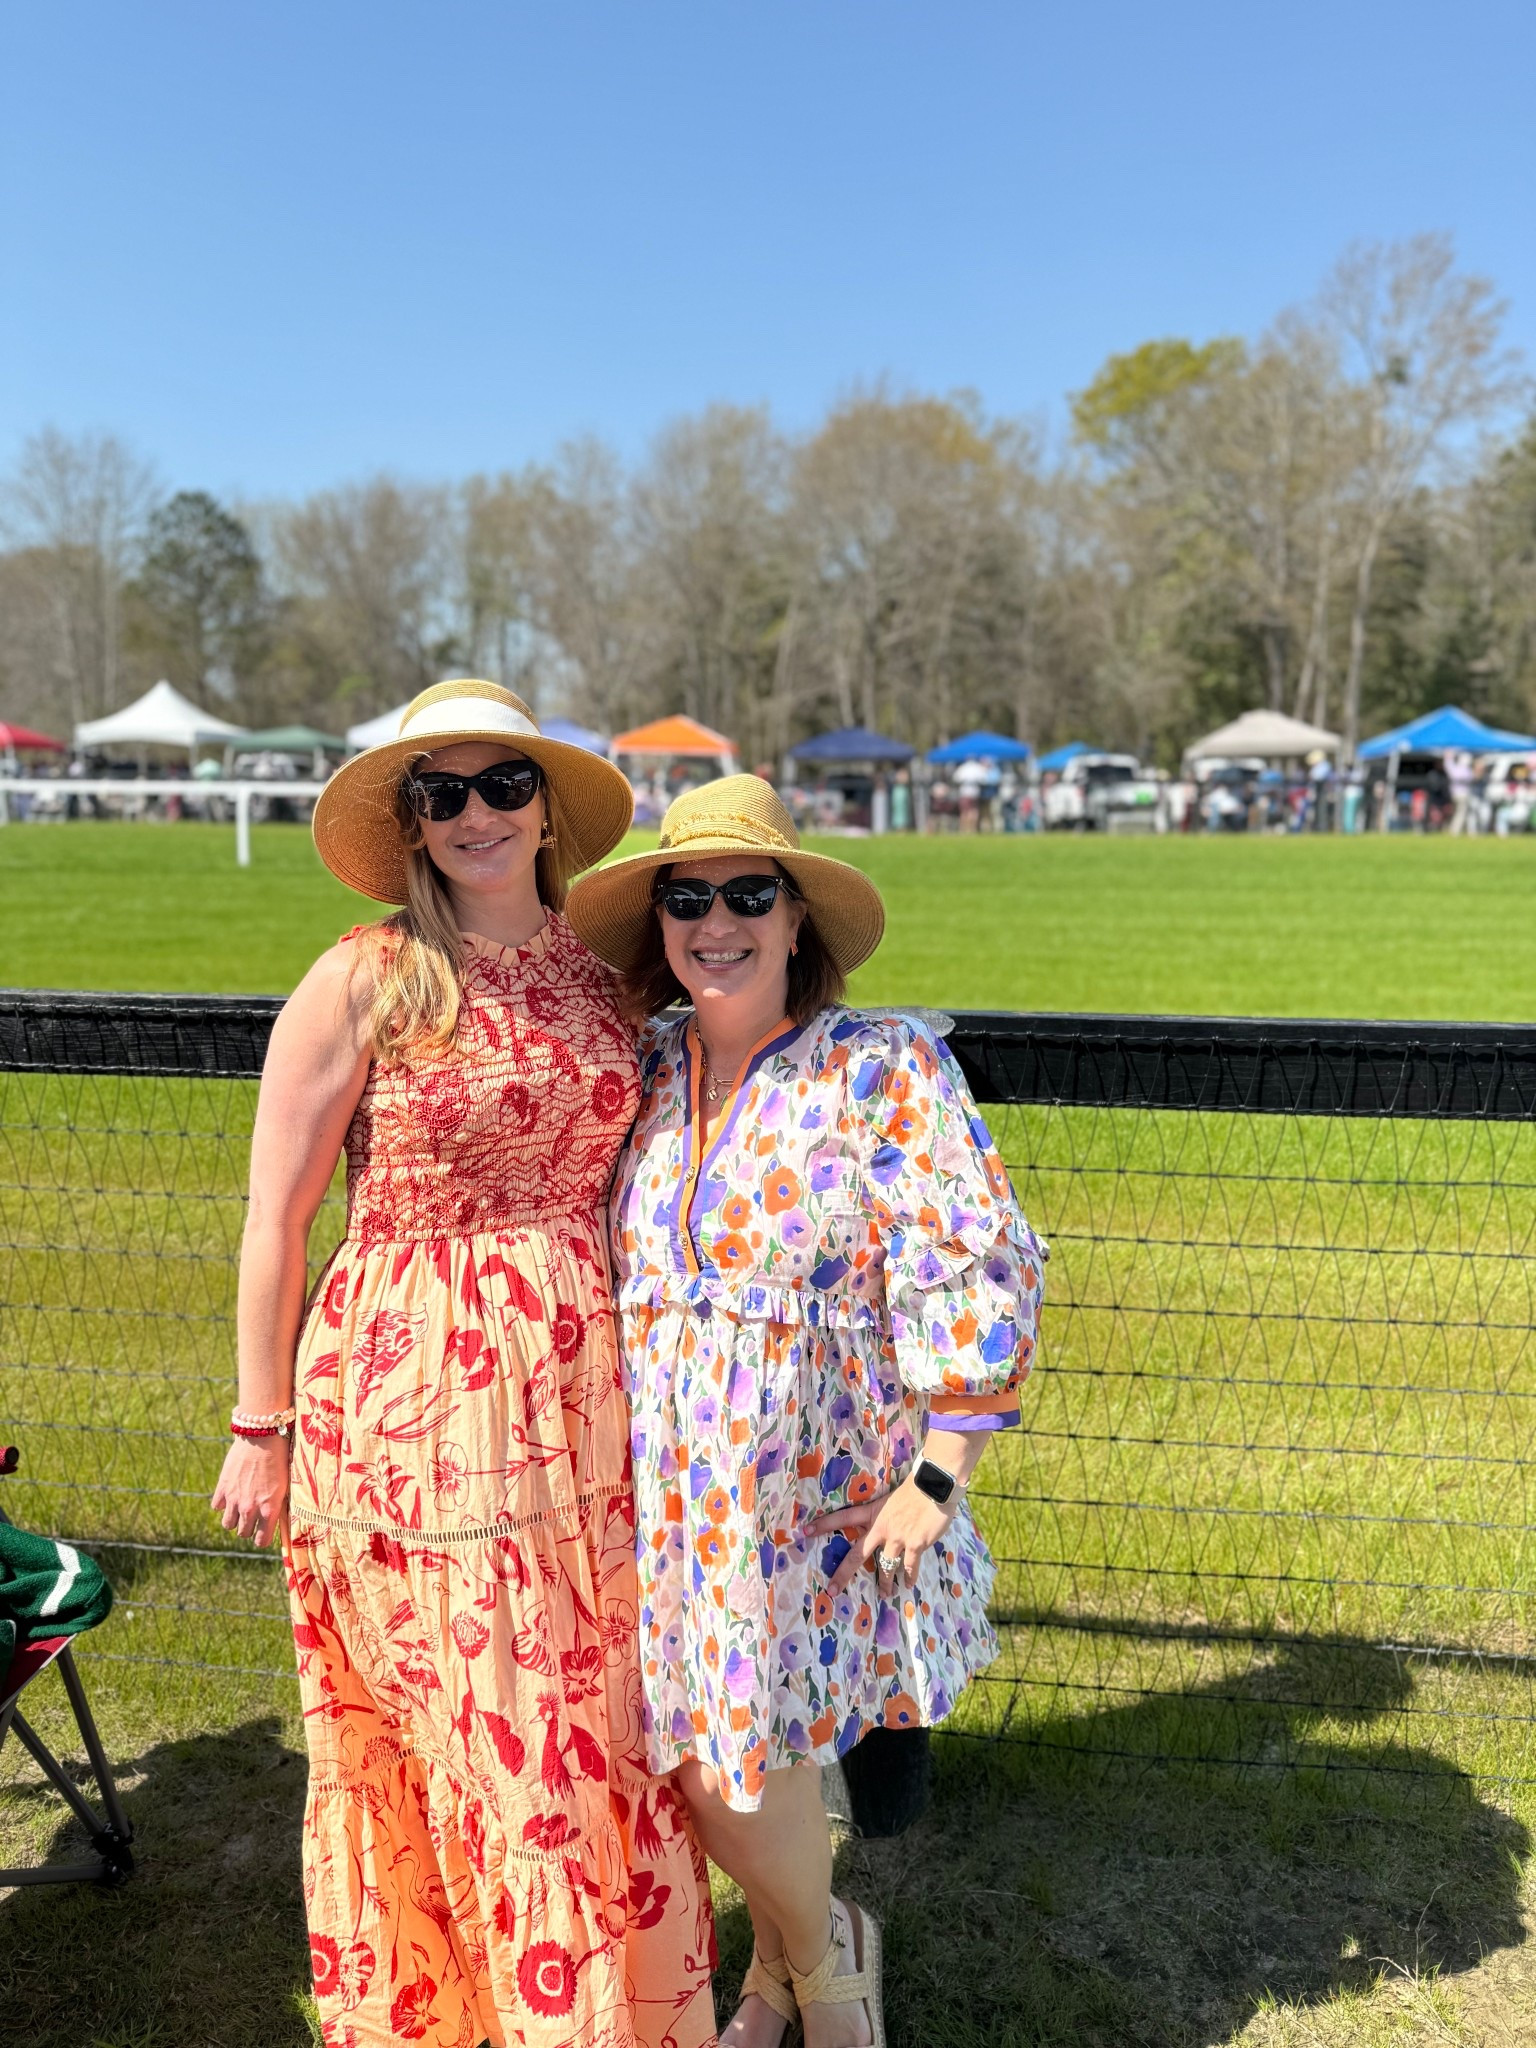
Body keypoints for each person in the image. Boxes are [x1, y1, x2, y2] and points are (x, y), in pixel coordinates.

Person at [210, 680, 717, 2048]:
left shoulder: (605, 970)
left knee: (593, 1720)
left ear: (547, 805)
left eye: (505, 786)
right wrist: (259, 1424)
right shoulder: (366, 976)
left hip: (592, 1395)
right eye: (444, 795)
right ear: (412, 822)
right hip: (415, 1397)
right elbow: (277, 1213)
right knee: (478, 1726)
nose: (479, 816)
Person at [566, 776, 1046, 2048]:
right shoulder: (645, 1069)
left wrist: (939, 1475)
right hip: (669, 1490)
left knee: (752, 1760)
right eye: (688, 898)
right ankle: (815, 1951)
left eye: (747, 895)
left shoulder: (878, 1066)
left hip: (818, 1488)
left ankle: (803, 1981)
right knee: (694, 1759)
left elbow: (970, 1258)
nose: (715, 921)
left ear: (794, 920)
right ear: (661, 921)